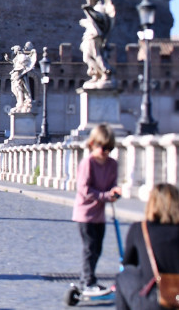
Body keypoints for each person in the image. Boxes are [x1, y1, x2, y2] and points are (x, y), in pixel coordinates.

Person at [72, 124, 121, 297]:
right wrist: (106, 195)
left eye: (110, 148)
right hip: (85, 214)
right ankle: (87, 282)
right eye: (103, 147)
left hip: (99, 214)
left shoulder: (112, 164)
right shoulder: (87, 163)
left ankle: (89, 279)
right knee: (89, 248)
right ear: (93, 144)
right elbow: (84, 190)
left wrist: (115, 191)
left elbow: (112, 184)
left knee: (97, 249)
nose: (106, 152)